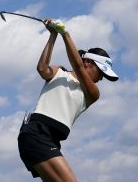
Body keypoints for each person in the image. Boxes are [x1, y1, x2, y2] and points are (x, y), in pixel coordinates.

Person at [17, 19, 119, 181]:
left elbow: (78, 67)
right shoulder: (59, 72)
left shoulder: (92, 93)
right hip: (36, 133)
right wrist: (54, 35)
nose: (100, 79)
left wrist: (65, 33)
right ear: (88, 63)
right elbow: (42, 68)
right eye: (100, 72)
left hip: (50, 139)